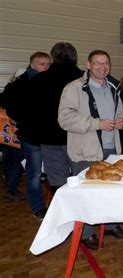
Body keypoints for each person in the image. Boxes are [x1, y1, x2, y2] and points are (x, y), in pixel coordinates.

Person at [58, 50, 123, 250]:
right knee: (86, 195)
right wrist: (97, 123)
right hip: (86, 151)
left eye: (106, 63)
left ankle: (111, 225)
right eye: (97, 63)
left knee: (111, 193)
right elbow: (65, 119)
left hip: (111, 150)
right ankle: (86, 232)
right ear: (88, 65)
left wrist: (122, 121)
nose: (102, 67)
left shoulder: (114, 87)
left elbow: (120, 112)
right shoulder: (74, 88)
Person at [32, 42, 84, 197]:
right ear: (75, 58)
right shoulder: (84, 79)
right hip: (79, 137)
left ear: (53, 58)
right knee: (82, 178)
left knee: (57, 181)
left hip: (50, 139)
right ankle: (82, 216)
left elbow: (31, 109)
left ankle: (61, 215)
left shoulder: (39, 79)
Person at [6, 51, 51, 219]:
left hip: (48, 136)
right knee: (34, 173)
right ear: (32, 65)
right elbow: (11, 108)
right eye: (42, 64)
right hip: (31, 136)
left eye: (48, 64)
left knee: (48, 171)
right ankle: (38, 207)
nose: (45, 67)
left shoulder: (49, 82)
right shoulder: (21, 83)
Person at [1, 70, 26, 202]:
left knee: (9, 159)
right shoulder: (22, 90)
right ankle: (11, 190)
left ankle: (9, 186)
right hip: (17, 132)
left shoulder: (9, 88)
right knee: (17, 161)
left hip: (5, 133)